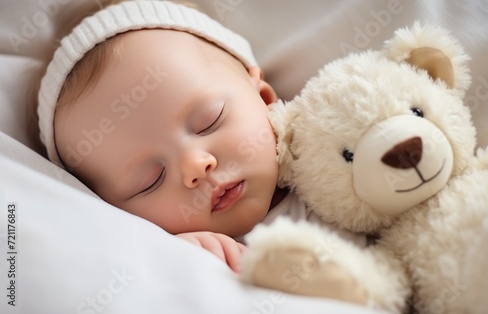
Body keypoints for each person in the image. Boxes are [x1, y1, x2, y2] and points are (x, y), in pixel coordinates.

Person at [37, 0, 364, 273]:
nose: (196, 166)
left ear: (264, 98)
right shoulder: (187, 262)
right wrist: (175, 262)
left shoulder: (341, 163)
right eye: (152, 180)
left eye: (210, 121)